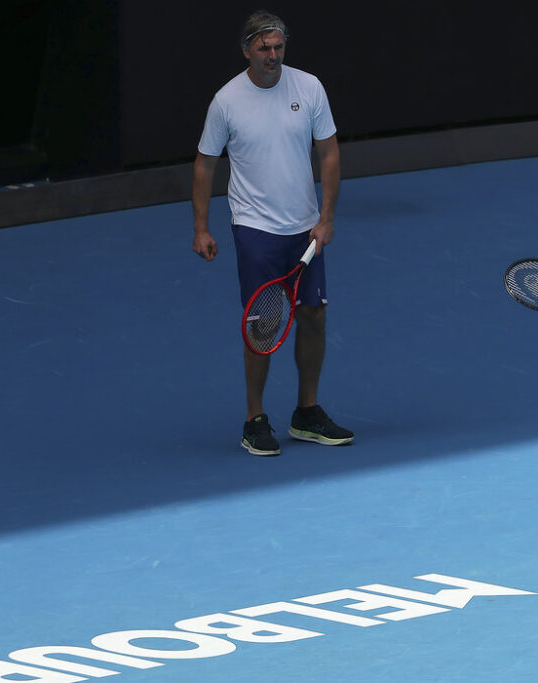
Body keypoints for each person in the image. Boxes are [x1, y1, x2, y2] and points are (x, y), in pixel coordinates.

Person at [191, 10, 353, 456]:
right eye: (264, 48)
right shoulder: (227, 101)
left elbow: (329, 154)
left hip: (305, 227)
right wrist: (201, 227)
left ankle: (307, 412)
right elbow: (205, 164)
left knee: (313, 315)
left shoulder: (309, 87)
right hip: (255, 228)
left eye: (279, 47)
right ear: (247, 50)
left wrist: (326, 218)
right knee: (262, 324)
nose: (273, 55)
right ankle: (254, 420)